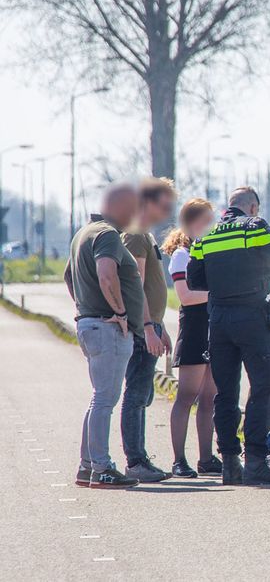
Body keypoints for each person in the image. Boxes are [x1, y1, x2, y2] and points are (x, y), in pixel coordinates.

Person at [187, 187, 270, 485]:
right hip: (253, 318)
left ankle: (230, 464)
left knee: (225, 393)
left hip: (218, 320)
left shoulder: (206, 235)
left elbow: (195, 280)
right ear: (253, 207)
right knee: (263, 387)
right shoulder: (255, 227)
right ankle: (256, 461)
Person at [64, 184, 145, 488]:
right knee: (105, 400)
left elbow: (68, 275)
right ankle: (102, 467)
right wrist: (120, 313)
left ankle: (88, 465)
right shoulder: (108, 235)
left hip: (91, 322)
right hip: (107, 327)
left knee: (100, 397)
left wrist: (84, 306)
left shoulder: (83, 233)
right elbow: (107, 273)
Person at [117, 177, 177, 483]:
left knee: (143, 394)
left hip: (149, 325)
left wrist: (160, 324)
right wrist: (149, 327)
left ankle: (140, 458)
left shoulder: (146, 235)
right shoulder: (137, 234)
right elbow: (136, 286)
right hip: (141, 329)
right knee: (136, 394)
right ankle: (136, 461)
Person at [162, 198, 220, 478]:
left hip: (213, 328)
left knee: (210, 397)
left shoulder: (208, 250)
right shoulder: (182, 254)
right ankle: (178, 460)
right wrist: (220, 295)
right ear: (192, 223)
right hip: (195, 328)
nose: (211, 226)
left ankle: (206, 458)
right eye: (206, 221)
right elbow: (185, 296)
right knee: (187, 395)